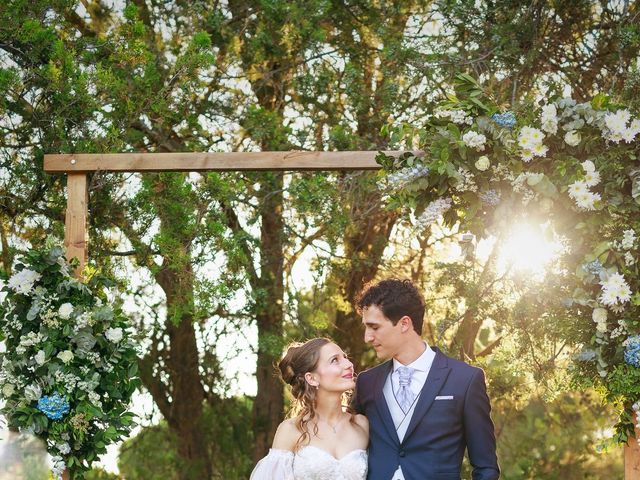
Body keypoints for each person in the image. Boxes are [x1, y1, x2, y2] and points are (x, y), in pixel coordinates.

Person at [352, 279, 500, 480]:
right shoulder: (366, 383)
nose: (367, 337)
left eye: (374, 327)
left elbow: (486, 468)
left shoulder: (465, 380)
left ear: (404, 323)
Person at [250, 337, 369, 480]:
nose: (349, 364)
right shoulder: (291, 430)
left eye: (345, 357)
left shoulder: (361, 424)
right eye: (335, 360)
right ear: (312, 378)